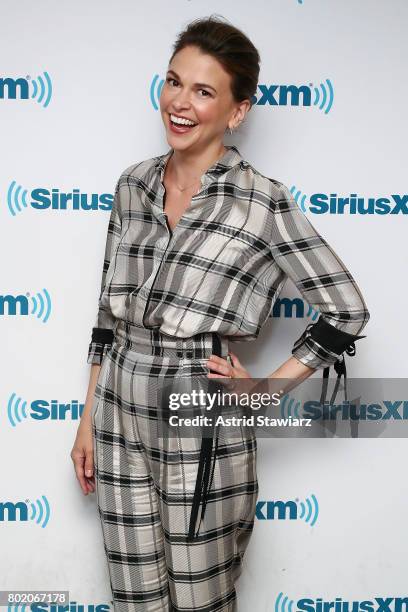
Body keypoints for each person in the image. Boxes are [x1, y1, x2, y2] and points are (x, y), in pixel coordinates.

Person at [70, 14, 370, 612]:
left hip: (199, 401)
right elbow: (107, 315)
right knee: (134, 596)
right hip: (117, 401)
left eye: (204, 91)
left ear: (237, 111)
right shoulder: (131, 186)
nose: (180, 104)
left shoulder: (262, 200)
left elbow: (346, 309)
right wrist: (87, 419)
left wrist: (262, 390)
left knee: (199, 596)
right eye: (174, 82)